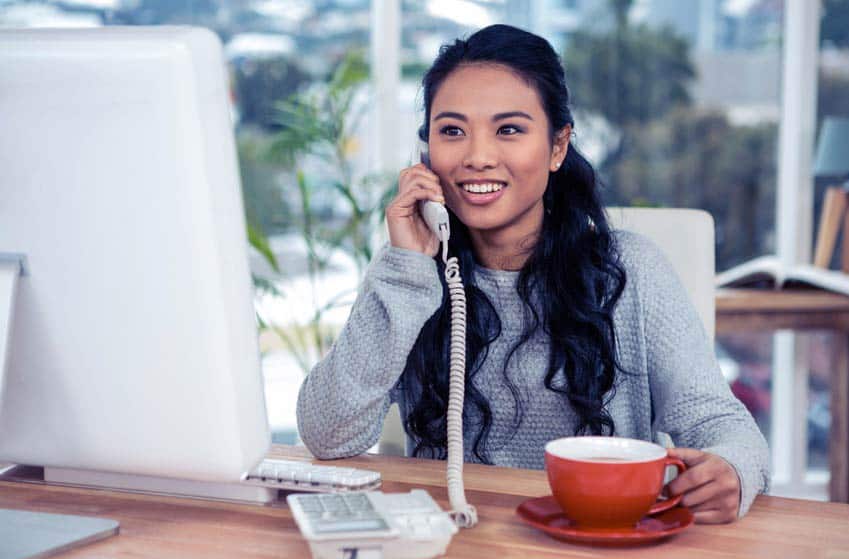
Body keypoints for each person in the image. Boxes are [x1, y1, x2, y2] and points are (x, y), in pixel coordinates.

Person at [297, 24, 769, 523]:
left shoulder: (630, 270)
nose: (477, 157)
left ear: (558, 146)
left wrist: (733, 469)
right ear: (426, 154)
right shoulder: (410, 274)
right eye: (452, 131)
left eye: (509, 130)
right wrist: (408, 271)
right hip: (458, 541)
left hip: (599, 545)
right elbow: (328, 434)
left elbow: (720, 423)